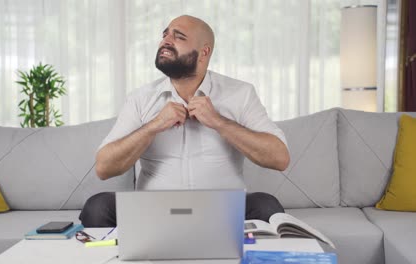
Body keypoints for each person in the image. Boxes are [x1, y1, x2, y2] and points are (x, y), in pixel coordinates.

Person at [79, 15, 290, 227]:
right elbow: (103, 167)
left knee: (267, 206)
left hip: (223, 209)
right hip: (154, 210)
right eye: (165, 35)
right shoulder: (141, 98)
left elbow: (279, 158)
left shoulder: (241, 93)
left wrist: (218, 122)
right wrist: (154, 126)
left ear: (204, 52)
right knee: (97, 207)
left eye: (178, 37)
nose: (166, 41)